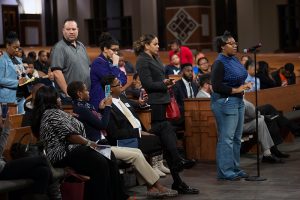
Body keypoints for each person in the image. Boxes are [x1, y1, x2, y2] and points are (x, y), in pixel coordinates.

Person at [67, 81, 177, 198]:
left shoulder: (85, 107)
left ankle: (152, 187)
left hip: (102, 144)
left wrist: (101, 109)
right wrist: (108, 106)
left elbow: (97, 122)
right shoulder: (81, 109)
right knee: (136, 155)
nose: (88, 92)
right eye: (85, 90)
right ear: (79, 94)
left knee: (138, 152)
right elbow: (103, 125)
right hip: (97, 146)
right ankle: (157, 186)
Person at [31, 86, 128, 200]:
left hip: (74, 149)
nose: (60, 99)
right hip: (62, 153)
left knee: (108, 153)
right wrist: (90, 143)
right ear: (50, 99)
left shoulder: (57, 112)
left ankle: (119, 196)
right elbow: (70, 135)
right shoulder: (51, 114)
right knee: (100, 162)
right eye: (57, 97)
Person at [134, 34, 199, 194]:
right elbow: (148, 84)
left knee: (166, 137)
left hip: (163, 100)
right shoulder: (142, 59)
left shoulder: (155, 58)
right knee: (165, 130)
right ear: (146, 45)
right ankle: (178, 160)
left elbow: (159, 78)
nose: (158, 46)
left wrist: (166, 82)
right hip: (155, 102)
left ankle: (177, 174)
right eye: (155, 44)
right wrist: (164, 83)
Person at [210, 31, 252, 181]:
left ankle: (234, 167)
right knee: (226, 138)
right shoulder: (219, 62)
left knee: (236, 138)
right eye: (231, 43)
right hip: (225, 102)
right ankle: (225, 171)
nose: (235, 46)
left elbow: (238, 76)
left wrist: (243, 85)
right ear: (222, 46)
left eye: (236, 43)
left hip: (238, 101)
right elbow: (216, 85)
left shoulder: (233, 59)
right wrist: (236, 89)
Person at [0, 113, 51, 200]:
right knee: (42, 160)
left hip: (4, 166)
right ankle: (54, 185)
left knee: (43, 172)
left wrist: (3, 129)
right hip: (2, 170)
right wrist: (6, 130)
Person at [50, 18, 90, 103]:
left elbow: (88, 68)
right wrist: (68, 93)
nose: (71, 32)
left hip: (84, 95)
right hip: (71, 97)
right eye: (68, 29)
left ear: (78, 30)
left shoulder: (81, 46)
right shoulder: (59, 48)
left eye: (74, 29)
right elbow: (57, 73)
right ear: (63, 30)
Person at [89, 32, 127, 110]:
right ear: (105, 49)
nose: (116, 53)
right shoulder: (98, 62)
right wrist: (115, 65)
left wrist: (117, 81)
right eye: (114, 50)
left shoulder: (109, 62)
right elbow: (111, 81)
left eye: (117, 50)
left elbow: (124, 78)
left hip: (109, 99)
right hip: (100, 101)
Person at [243, 99, 284, 163]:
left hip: (239, 123)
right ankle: (270, 152)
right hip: (236, 127)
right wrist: (263, 117)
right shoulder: (243, 103)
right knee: (263, 120)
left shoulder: (232, 99)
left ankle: (269, 153)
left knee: (264, 117)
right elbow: (254, 114)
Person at [0, 31, 26, 112]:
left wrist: (30, 78)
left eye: (18, 47)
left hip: (22, 95)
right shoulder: (2, 60)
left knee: (22, 121)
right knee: (11, 122)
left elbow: (23, 74)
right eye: (15, 47)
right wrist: (17, 82)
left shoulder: (19, 59)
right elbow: (0, 79)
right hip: (9, 97)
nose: (17, 50)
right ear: (8, 45)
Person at [172, 63, 199, 130]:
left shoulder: (195, 85)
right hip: (182, 115)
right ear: (182, 73)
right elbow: (175, 103)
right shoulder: (177, 86)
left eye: (191, 71)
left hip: (195, 112)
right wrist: (187, 110)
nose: (190, 73)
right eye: (187, 71)